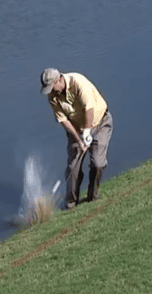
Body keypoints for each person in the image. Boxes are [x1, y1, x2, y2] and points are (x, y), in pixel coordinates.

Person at [40, 68, 113, 210]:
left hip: (100, 123)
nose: (51, 92)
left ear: (59, 80)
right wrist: (79, 140)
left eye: (52, 87)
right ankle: (71, 205)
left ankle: (92, 197)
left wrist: (87, 133)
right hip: (76, 128)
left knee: (97, 163)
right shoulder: (53, 96)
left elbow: (89, 110)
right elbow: (63, 120)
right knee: (73, 169)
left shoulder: (79, 83)